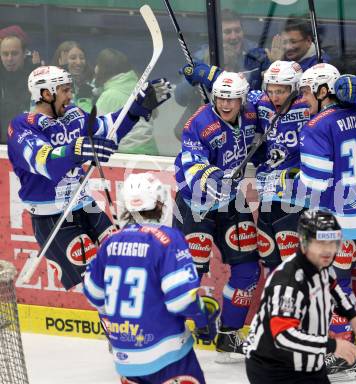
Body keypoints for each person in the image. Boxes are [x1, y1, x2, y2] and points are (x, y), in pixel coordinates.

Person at [7, 65, 171, 290]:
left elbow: (106, 129)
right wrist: (77, 149)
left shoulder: (73, 115)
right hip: (53, 217)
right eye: (64, 90)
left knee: (122, 262)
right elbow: (44, 161)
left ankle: (133, 321)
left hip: (86, 206)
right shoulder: (22, 126)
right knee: (99, 285)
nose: (70, 95)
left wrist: (133, 110)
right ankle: (117, 324)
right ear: (46, 94)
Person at [83, 172, 220, 384]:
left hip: (125, 358)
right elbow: (180, 300)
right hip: (169, 355)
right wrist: (203, 317)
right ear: (161, 202)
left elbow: (94, 295)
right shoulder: (169, 239)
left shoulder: (110, 243)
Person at [293, 64, 356, 380]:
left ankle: (343, 357)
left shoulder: (317, 125)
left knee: (331, 288)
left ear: (323, 90)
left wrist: (280, 184)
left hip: (332, 220)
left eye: (306, 92)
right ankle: (344, 352)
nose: (302, 99)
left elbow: (313, 182)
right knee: (339, 284)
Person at [173, 71, 260, 362]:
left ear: (242, 99)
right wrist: (214, 177)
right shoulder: (198, 123)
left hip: (231, 202)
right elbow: (193, 166)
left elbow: (275, 99)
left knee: (248, 270)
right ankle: (169, 332)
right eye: (221, 97)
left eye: (232, 98)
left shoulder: (251, 112)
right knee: (187, 275)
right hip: (196, 205)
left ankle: (228, 335)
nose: (225, 103)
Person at [245, 210, 356, 384]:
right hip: (272, 368)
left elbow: (333, 288)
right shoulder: (287, 283)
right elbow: (283, 336)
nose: (328, 250)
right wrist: (333, 346)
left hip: (307, 362)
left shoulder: (318, 264)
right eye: (320, 243)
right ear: (304, 243)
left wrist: (353, 317)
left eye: (333, 242)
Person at [174, 8, 270, 140]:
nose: (234, 36)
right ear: (217, 36)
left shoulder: (256, 55)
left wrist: (274, 62)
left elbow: (269, 94)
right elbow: (180, 97)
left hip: (247, 125)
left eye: (237, 30)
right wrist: (202, 74)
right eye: (227, 32)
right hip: (209, 127)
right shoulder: (202, 58)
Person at [251, 60, 310, 269]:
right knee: (270, 262)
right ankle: (274, 301)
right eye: (271, 90)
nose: (275, 97)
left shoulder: (309, 106)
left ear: (296, 88)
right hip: (267, 191)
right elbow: (231, 94)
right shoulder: (260, 102)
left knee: (292, 263)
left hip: (295, 195)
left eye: (282, 91)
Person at [94, 48, 159, 155]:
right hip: (152, 152)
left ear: (102, 69)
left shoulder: (109, 96)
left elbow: (96, 132)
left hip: (127, 156)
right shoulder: (140, 87)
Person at [0, 32, 40, 142]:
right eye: (5, 54)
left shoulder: (35, 78)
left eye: (14, 53)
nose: (9, 58)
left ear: (24, 54)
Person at [52, 41, 94, 111]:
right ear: (60, 61)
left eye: (82, 58)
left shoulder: (90, 84)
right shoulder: (50, 86)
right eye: (73, 58)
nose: (79, 62)